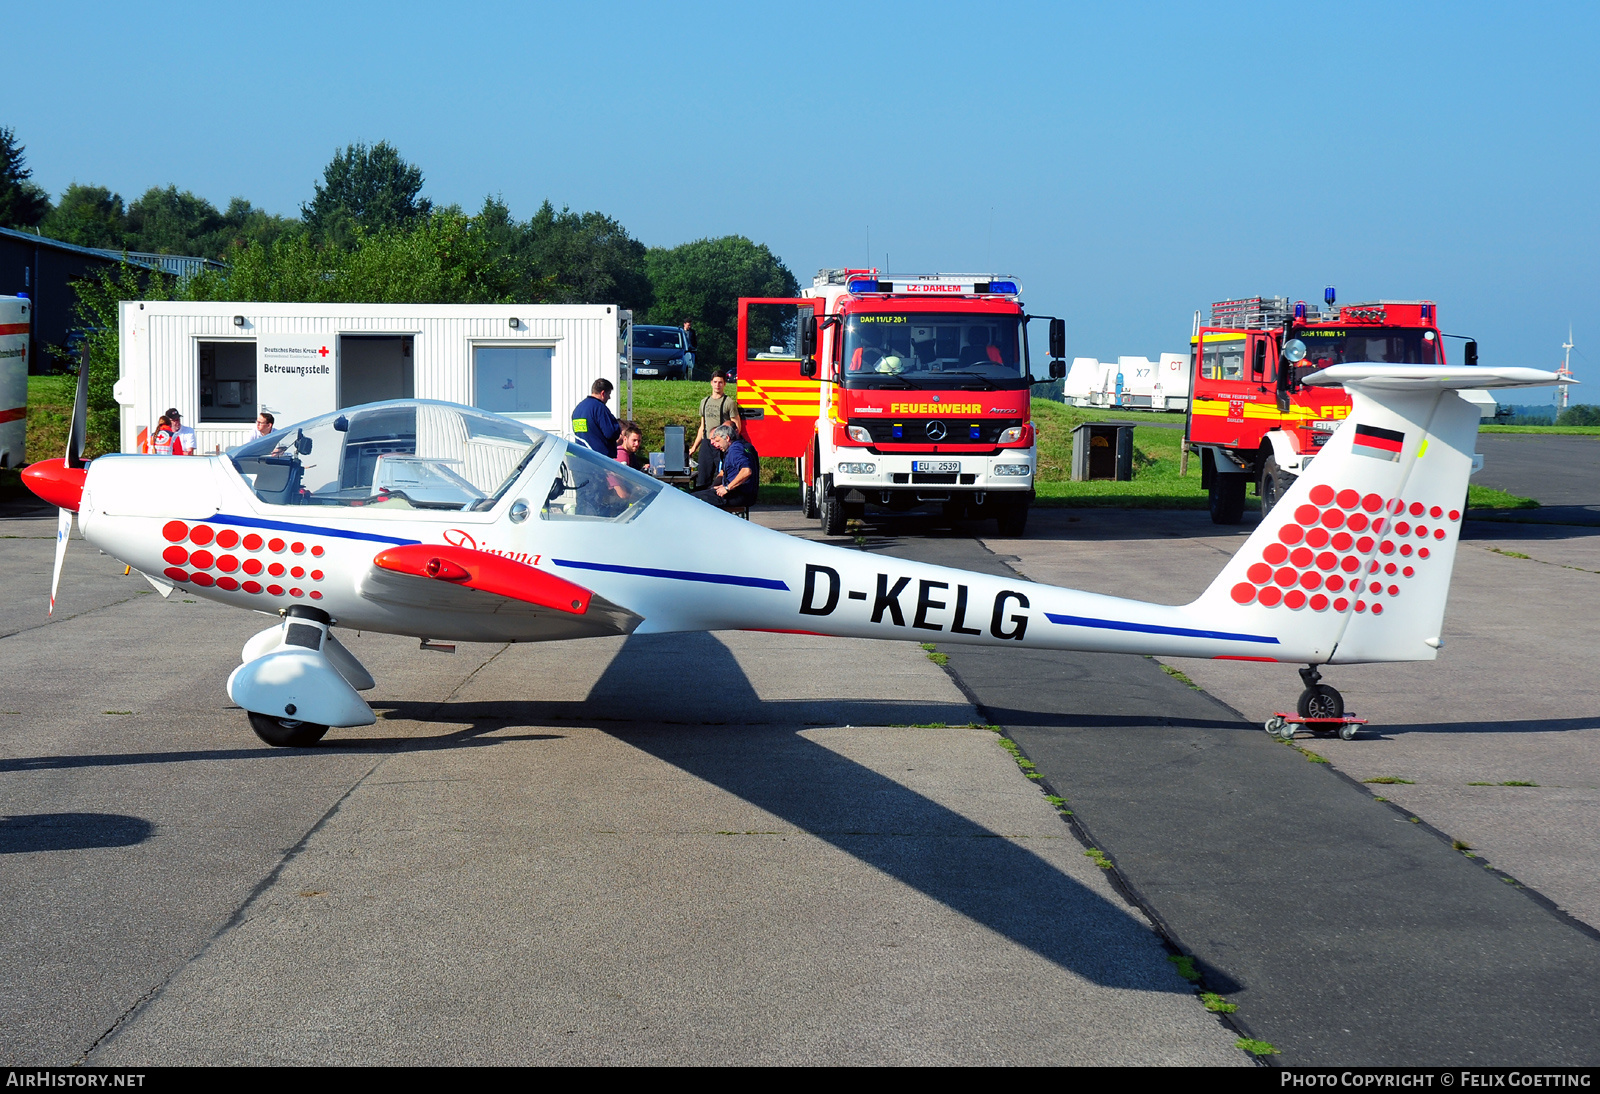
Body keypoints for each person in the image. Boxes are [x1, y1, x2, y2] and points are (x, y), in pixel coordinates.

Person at [688, 371, 742, 490]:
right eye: (715, 382)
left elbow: (736, 425)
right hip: (707, 442)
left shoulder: (729, 403)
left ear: (725, 384)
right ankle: (701, 498)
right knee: (702, 476)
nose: (718, 385)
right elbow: (702, 427)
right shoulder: (704, 402)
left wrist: (733, 445)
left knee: (723, 475)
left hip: (722, 444)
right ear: (711, 383)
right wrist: (694, 447)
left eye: (720, 382)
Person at [691, 424, 757, 510]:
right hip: (740, 493)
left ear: (727, 438)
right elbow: (725, 472)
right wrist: (718, 486)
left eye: (718, 441)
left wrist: (727, 488)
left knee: (693, 499)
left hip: (739, 495)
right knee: (702, 494)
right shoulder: (736, 447)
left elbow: (746, 471)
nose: (715, 445)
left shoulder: (735, 450)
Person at [570, 379, 621, 458]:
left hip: (582, 457)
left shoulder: (578, 409)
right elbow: (611, 433)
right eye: (609, 394)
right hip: (599, 460)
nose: (609, 397)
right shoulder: (599, 408)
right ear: (603, 393)